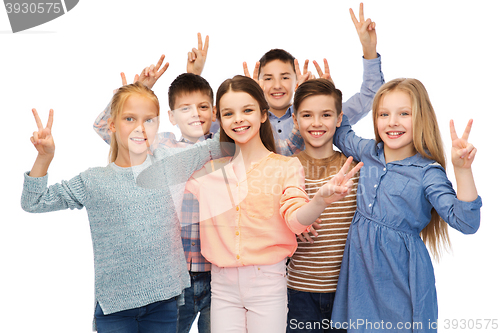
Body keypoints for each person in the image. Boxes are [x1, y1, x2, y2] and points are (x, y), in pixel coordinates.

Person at [21, 82, 222, 333]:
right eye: (130, 118)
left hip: (165, 302)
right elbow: (34, 201)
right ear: (113, 125)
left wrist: (254, 105)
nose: (140, 127)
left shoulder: (171, 162)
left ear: (158, 125)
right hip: (115, 308)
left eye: (149, 120)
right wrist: (44, 157)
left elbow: (214, 144)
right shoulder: (94, 181)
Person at [178, 75, 363, 332]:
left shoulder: (285, 166)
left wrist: (319, 200)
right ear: (219, 120)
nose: (239, 119)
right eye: (229, 113)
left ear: (263, 115)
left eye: (248, 110)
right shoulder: (206, 173)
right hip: (221, 287)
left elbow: (295, 220)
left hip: (267, 284)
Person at [330, 78, 482, 332]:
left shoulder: (427, 172)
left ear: (421, 117)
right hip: (360, 278)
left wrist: (462, 170)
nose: (392, 122)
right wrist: (331, 97)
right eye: (383, 114)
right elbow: (339, 128)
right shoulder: (369, 152)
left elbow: (467, 222)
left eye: (404, 113)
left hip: (400, 280)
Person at [243, 3, 384, 142]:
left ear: (296, 80)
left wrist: (369, 49)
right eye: (268, 79)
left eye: (285, 77)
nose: (277, 85)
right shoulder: (246, 121)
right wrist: (250, 98)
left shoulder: (318, 116)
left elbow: (371, 96)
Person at [286, 79, 359, 333]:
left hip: (347, 292)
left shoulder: (355, 169)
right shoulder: (284, 168)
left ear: (339, 119)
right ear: (295, 120)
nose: (316, 123)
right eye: (307, 115)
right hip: (299, 291)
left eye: (325, 115)